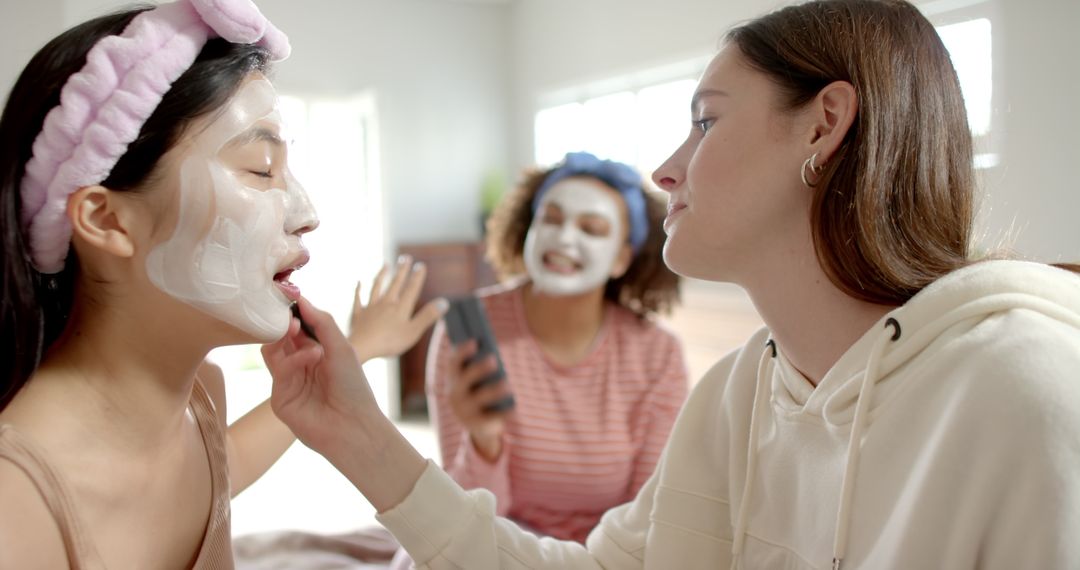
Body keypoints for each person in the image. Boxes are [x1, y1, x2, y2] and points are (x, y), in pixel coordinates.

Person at [265, 0, 1080, 568]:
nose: (664, 169)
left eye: (706, 119)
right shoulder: (736, 397)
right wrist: (357, 434)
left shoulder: (1027, 391)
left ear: (824, 126)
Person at [0, 2, 440, 568]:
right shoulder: (17, 497)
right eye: (261, 169)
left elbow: (220, 465)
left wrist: (360, 350)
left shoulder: (200, 395)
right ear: (107, 222)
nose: (306, 213)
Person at [425, 153, 687, 544]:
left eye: (592, 228)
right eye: (550, 218)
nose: (564, 238)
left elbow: (647, 516)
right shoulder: (465, 334)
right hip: (495, 547)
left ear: (621, 259)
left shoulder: (657, 355)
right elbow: (469, 518)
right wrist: (483, 441)